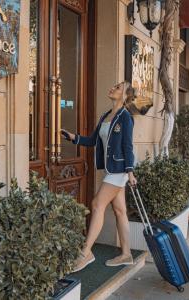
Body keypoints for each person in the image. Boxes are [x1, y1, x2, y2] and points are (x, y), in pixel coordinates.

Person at [60, 80, 137, 272]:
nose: (113, 87)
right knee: (119, 210)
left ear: (125, 95)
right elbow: (94, 140)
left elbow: (128, 146)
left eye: (118, 87)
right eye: (115, 85)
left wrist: (130, 171)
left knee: (97, 204)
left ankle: (86, 252)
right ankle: (126, 254)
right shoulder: (105, 116)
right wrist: (73, 137)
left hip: (119, 171)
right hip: (111, 170)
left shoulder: (125, 117)